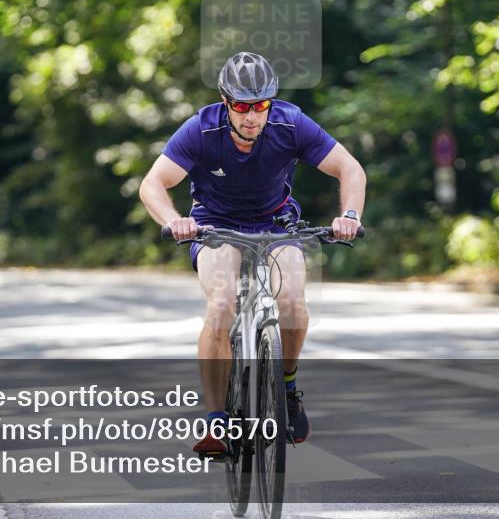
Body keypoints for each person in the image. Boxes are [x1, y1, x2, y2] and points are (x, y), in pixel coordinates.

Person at [139, 52, 366, 457]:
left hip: (276, 223)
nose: (251, 116)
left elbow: (350, 169)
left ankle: (288, 387)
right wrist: (175, 220)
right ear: (226, 102)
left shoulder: (290, 122)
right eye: (242, 106)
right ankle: (216, 421)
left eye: (260, 105)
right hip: (215, 226)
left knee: (294, 303)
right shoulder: (200, 131)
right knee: (222, 305)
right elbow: (153, 184)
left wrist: (348, 215)